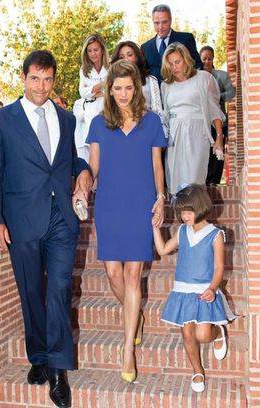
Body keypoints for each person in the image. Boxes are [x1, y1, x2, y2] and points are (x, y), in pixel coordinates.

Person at [0, 50, 93, 408]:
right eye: (35, 79)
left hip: (61, 218)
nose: (41, 86)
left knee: (58, 288)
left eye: (47, 79)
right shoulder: (2, 120)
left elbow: (67, 158)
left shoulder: (67, 117)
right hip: (22, 219)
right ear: (23, 78)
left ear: (54, 80)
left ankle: (58, 370)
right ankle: (39, 356)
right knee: (31, 291)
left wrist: (84, 169)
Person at [86, 60, 167, 383]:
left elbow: (158, 167)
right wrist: (82, 186)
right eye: (117, 88)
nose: (122, 93)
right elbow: (93, 168)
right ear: (110, 89)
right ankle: (136, 316)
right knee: (112, 273)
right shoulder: (98, 124)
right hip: (109, 204)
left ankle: (127, 348)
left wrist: (161, 198)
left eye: (128, 88)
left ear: (137, 89)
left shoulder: (152, 123)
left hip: (140, 203)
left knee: (134, 275)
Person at [153, 183, 235, 393]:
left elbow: (219, 267)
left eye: (188, 211)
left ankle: (218, 333)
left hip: (204, 292)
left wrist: (213, 288)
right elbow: (163, 250)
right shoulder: (182, 231)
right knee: (188, 334)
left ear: (200, 207)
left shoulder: (215, 234)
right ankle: (197, 370)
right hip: (183, 291)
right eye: (180, 212)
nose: (184, 216)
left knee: (202, 335)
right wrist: (155, 229)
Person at [160, 42, 226, 195]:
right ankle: (182, 217)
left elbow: (214, 111)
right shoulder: (165, 85)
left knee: (194, 179)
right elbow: (165, 114)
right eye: (170, 63)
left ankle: (197, 217)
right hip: (174, 136)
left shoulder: (203, 78)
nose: (174, 67)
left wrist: (219, 137)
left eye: (178, 62)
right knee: (175, 179)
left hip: (197, 132)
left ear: (186, 60)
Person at [111, 40, 167, 136]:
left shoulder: (150, 81)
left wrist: (163, 136)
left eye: (130, 55)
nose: (126, 59)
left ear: (137, 57)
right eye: (122, 57)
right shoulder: (112, 83)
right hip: (120, 132)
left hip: (147, 132)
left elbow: (158, 112)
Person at [141, 4, 203, 86]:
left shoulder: (185, 39)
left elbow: (197, 65)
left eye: (164, 22)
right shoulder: (145, 47)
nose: (160, 27)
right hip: (157, 96)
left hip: (183, 93)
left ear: (170, 20)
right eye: (156, 23)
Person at [200, 45, 236, 185]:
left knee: (218, 152)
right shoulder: (196, 77)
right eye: (204, 58)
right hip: (203, 120)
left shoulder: (222, 75)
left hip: (219, 120)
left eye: (209, 58)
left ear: (213, 59)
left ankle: (214, 181)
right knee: (206, 151)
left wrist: (216, 97)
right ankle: (203, 180)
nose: (207, 61)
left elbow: (231, 93)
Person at [75, 33, 110, 161]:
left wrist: (93, 90)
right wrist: (101, 85)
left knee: (107, 147)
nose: (93, 53)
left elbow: (113, 90)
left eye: (96, 50)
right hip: (90, 110)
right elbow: (82, 93)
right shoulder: (84, 69)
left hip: (106, 108)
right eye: (89, 51)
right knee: (92, 149)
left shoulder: (110, 66)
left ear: (102, 50)